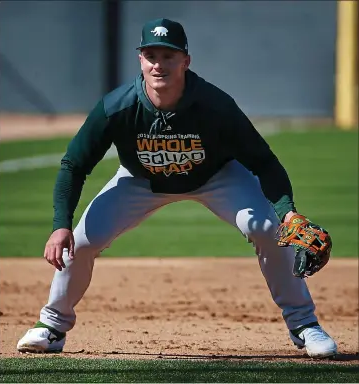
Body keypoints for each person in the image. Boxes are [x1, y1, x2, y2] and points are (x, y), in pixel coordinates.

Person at [17, 18, 337, 358]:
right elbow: (74, 165)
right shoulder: (117, 107)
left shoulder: (215, 106)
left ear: (185, 60)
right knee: (80, 241)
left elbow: (264, 161)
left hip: (216, 177)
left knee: (267, 227)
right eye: (151, 55)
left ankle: (304, 325)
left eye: (168, 56)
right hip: (140, 179)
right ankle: (52, 326)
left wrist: (287, 212)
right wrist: (60, 224)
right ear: (139, 59)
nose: (159, 64)